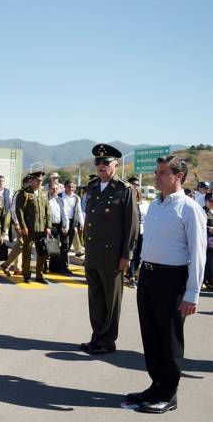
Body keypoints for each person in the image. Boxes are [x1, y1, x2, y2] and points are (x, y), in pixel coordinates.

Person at [125, 156, 206, 414]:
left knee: (170, 339)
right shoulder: (155, 205)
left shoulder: (190, 208)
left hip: (173, 280)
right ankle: (156, 384)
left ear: (178, 176)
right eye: (156, 172)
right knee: (151, 335)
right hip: (149, 277)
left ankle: (169, 394)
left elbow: (198, 253)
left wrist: (192, 293)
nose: (156, 177)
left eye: (162, 173)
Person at [79, 144, 138, 355]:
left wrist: (126, 255)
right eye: (98, 162)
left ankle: (107, 341)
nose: (101, 166)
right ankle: (96, 337)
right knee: (95, 297)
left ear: (116, 165)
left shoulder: (124, 189)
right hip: (94, 252)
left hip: (113, 255)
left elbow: (132, 226)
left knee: (111, 301)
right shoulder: (93, 187)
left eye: (106, 162)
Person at [14, 171, 51, 283]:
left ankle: (39, 275)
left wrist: (48, 226)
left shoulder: (43, 193)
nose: (40, 182)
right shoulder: (24, 193)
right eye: (37, 180)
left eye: (41, 181)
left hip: (42, 229)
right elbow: (19, 211)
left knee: (42, 253)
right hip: (29, 229)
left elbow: (47, 210)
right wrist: (23, 227)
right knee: (27, 252)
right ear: (32, 180)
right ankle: (26, 275)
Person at [1, 175, 31, 276]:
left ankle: (17, 267)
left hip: (27, 224)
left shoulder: (29, 193)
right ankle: (7, 264)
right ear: (25, 183)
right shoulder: (19, 193)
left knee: (20, 244)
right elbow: (14, 209)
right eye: (30, 182)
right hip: (19, 223)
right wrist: (17, 223)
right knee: (21, 244)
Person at [126, 176, 149, 288]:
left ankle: (131, 273)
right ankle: (130, 276)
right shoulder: (126, 201)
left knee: (138, 255)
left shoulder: (145, 204)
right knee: (131, 253)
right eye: (133, 185)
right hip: (130, 231)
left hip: (142, 232)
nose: (135, 187)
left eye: (137, 185)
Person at [60, 179, 84, 272]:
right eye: (69, 186)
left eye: (73, 187)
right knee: (64, 245)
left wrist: (81, 223)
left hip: (72, 223)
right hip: (61, 223)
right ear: (65, 187)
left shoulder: (76, 197)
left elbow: (79, 211)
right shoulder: (60, 196)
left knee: (67, 246)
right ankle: (63, 266)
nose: (71, 188)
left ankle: (63, 265)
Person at [47, 184, 69, 274]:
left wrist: (65, 226)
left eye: (56, 189)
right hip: (46, 227)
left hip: (57, 227)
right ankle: (42, 268)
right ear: (49, 189)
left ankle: (54, 268)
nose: (54, 190)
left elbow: (64, 214)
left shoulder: (60, 200)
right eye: (53, 188)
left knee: (55, 248)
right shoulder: (45, 200)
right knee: (45, 248)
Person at [203, 193, 213, 290]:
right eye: (210, 201)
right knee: (206, 262)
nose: (212, 203)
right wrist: (208, 228)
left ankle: (211, 281)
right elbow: (198, 225)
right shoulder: (202, 211)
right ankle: (205, 281)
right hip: (206, 240)